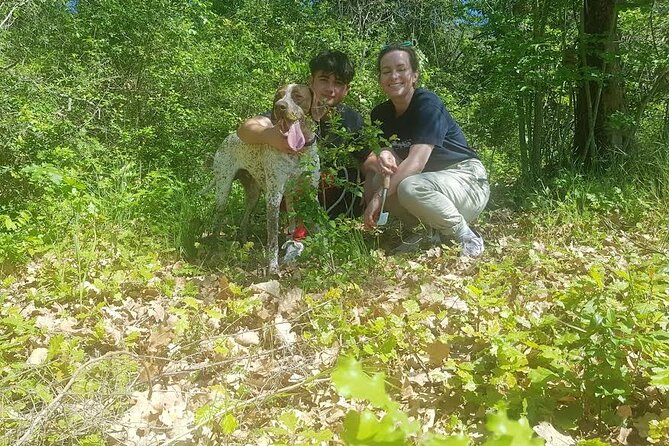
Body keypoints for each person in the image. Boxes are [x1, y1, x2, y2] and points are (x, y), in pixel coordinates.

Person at [362, 43, 490, 257]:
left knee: (408, 186)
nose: (394, 76)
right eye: (386, 71)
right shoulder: (380, 114)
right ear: (380, 80)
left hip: (466, 180)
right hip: (432, 184)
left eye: (401, 69)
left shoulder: (427, 104)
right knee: (378, 178)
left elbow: (415, 163)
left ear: (414, 75)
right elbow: (390, 153)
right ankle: (426, 232)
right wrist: (384, 154)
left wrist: (377, 199)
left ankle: (466, 236)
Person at [236, 50, 365, 261]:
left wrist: (378, 184)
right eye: (324, 80)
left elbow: (367, 158)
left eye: (338, 83)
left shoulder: (350, 119)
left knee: (353, 174)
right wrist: (269, 136)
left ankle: (334, 233)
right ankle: (295, 237)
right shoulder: (291, 109)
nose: (330, 89)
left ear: (346, 90)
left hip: (329, 197)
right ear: (311, 81)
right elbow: (244, 130)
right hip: (294, 195)